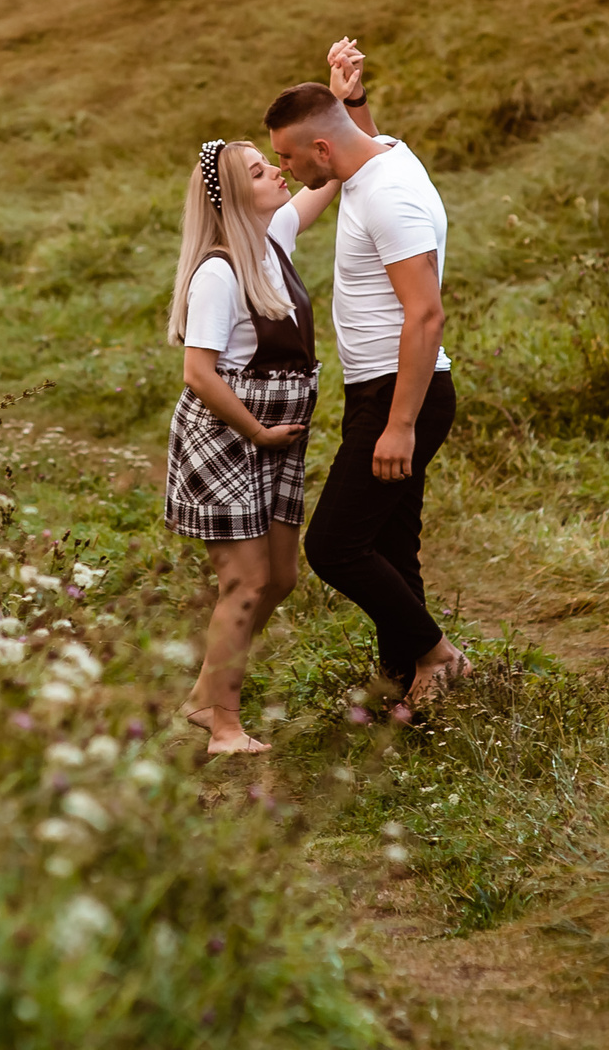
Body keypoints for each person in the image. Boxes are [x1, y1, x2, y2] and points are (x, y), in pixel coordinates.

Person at [162, 47, 357, 754]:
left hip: (273, 435)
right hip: (229, 434)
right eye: (259, 171)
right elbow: (199, 375)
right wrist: (260, 432)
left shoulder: (270, 237)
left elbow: (332, 173)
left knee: (280, 576)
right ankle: (224, 726)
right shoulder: (219, 272)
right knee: (245, 581)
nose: (278, 171)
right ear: (232, 197)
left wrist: (346, 107)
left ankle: (202, 696)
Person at [265, 47, 471, 707]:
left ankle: (439, 656)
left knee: (334, 545)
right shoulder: (373, 158)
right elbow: (357, 138)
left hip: (400, 393)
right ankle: (403, 680)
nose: (285, 170)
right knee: (391, 541)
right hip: (379, 389)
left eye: (290, 159)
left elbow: (427, 313)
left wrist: (400, 424)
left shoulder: (390, 195)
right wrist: (350, 99)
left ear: (321, 151)